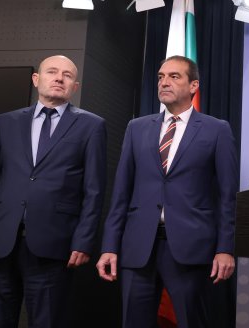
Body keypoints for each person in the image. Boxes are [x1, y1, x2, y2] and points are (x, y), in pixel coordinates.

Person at [96, 56, 239, 328]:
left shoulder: (217, 130)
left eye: (174, 76)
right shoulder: (136, 128)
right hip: (138, 247)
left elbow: (227, 196)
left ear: (193, 85)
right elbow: (121, 193)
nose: (164, 82)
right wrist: (110, 246)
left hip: (191, 247)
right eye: (161, 77)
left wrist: (225, 248)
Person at [0, 55, 106, 327]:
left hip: (54, 246)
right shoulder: (6, 122)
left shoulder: (91, 126)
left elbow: (94, 192)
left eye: (67, 75)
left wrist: (83, 241)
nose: (59, 78)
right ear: (36, 79)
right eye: (52, 72)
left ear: (75, 86)